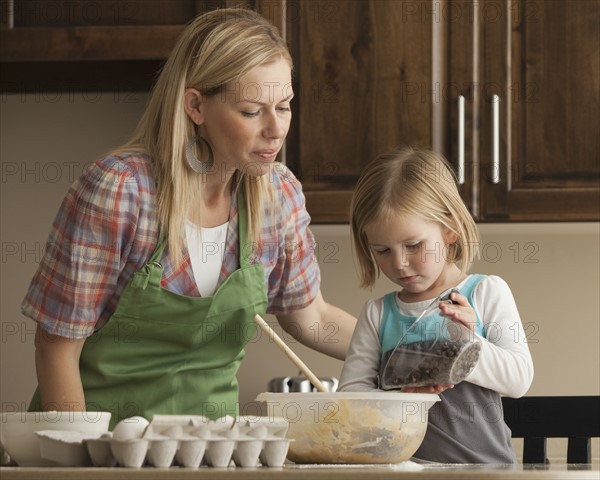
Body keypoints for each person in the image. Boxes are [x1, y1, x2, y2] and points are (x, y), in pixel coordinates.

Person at [22, 8, 356, 428]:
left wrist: (404, 351)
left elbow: (313, 317)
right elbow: (56, 346)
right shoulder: (122, 191)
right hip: (102, 451)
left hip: (211, 454)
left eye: (285, 106)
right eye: (253, 111)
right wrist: (78, 460)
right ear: (196, 105)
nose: (276, 129)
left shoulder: (278, 196)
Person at [338, 147, 534, 463]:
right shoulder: (377, 314)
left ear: (450, 229)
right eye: (382, 251)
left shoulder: (485, 292)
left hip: (486, 472)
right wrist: (404, 399)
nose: (400, 263)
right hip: (402, 469)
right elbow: (350, 398)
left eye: (413, 245)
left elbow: (519, 379)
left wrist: (468, 344)